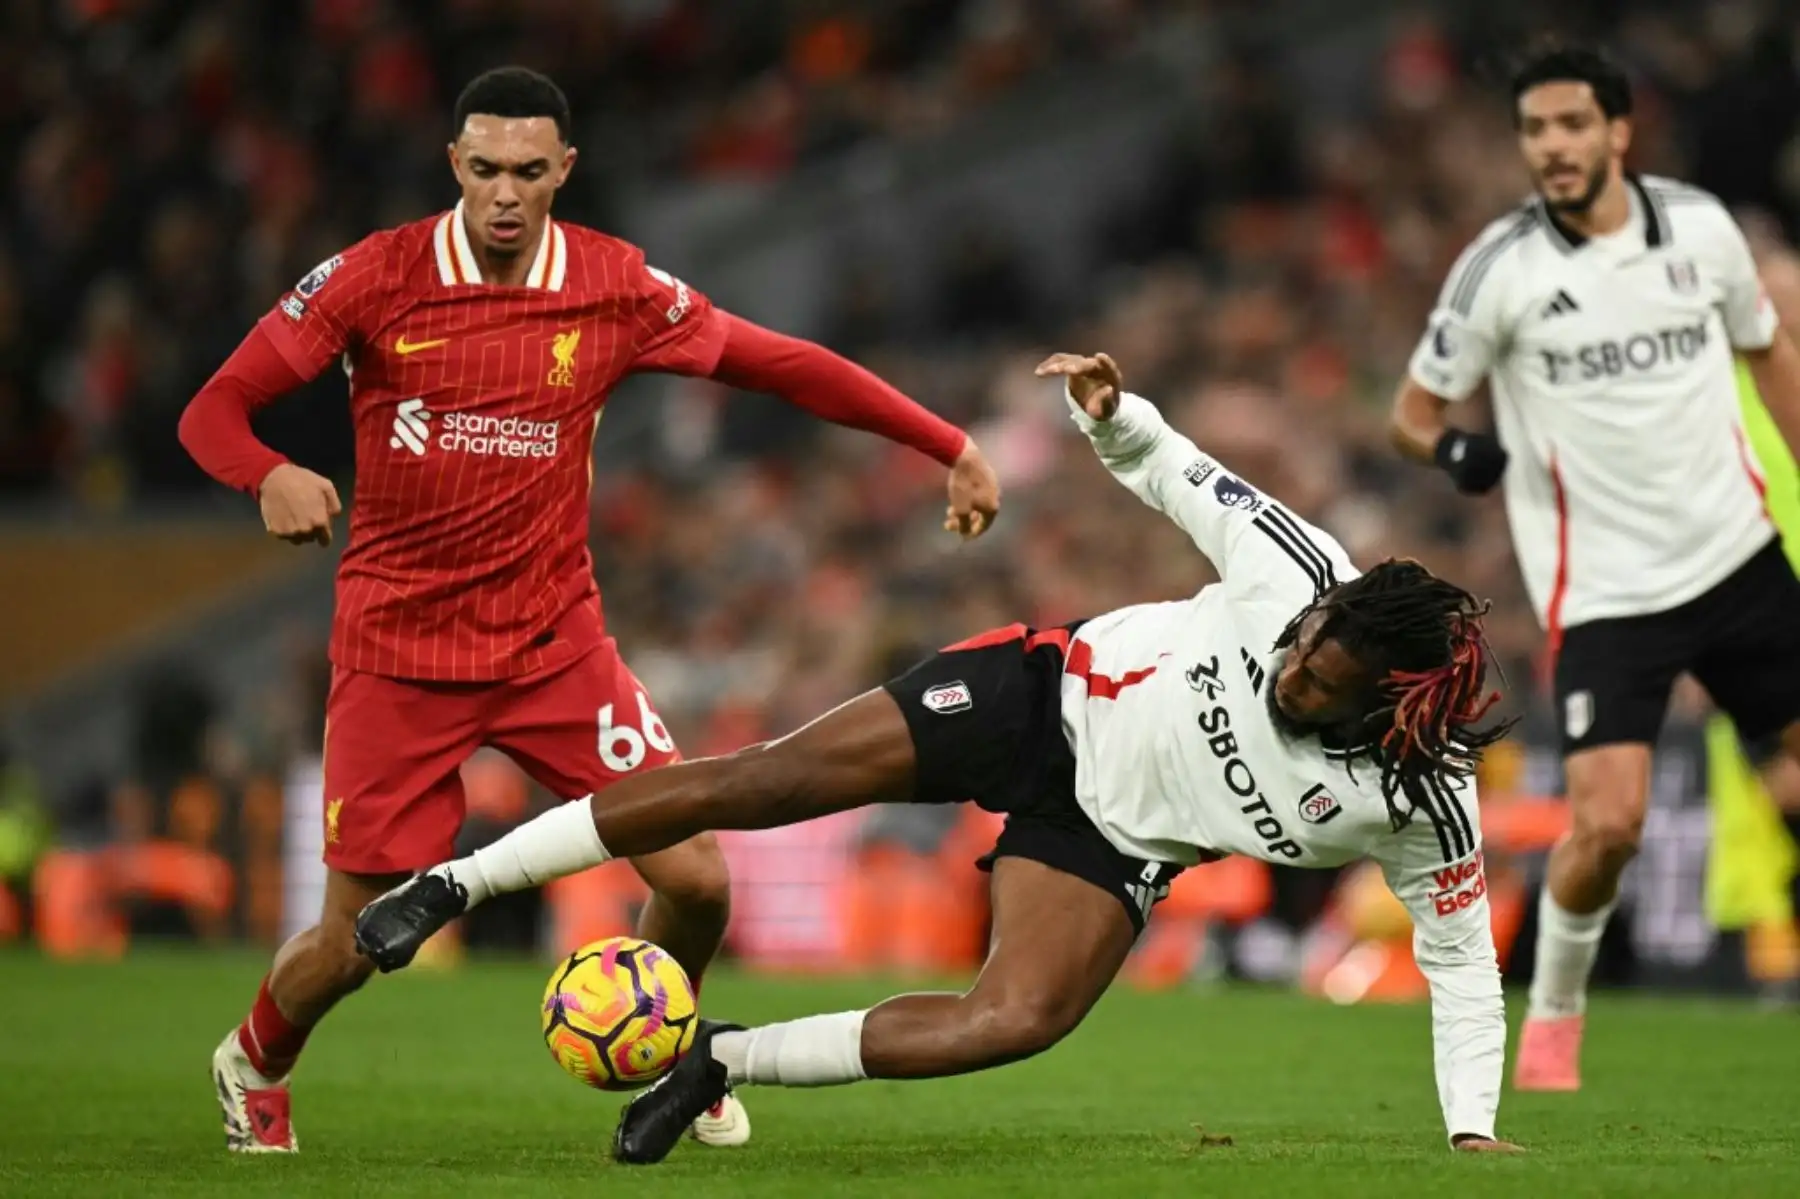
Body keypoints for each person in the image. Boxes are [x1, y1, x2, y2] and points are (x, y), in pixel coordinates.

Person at [357, 351, 1522, 1163]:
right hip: (1037, 694)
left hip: (1113, 837)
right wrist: (1110, 411)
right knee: (761, 781)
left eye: (1322, 683)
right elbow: (1170, 467)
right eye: (1307, 646)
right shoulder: (1296, 570)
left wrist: (1470, 1126)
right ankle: (452, 884)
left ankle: (715, 1061)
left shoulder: (1425, 799)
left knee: (1013, 1019)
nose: (1292, 669)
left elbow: (1462, 963)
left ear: (1389, 707)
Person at [177, 66, 1000, 1155]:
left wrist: (947, 442)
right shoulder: (375, 278)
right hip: (399, 654)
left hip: (554, 648)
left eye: (528, 170)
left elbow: (778, 364)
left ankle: (676, 1058)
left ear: (564, 169)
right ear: (454, 166)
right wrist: (267, 472)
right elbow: (212, 410)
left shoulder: (611, 285)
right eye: (484, 170)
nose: (505, 194)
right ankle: (257, 1054)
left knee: (700, 879)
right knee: (362, 939)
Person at [1388, 44, 1800, 1091]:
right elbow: (1412, 412)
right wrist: (1453, 451)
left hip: (1740, 559)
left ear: (1618, 132)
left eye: (1573, 125)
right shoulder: (1499, 269)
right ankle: (1558, 1012)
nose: (1554, 147)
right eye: (1536, 131)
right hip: (1608, 595)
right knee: (1609, 823)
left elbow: (1768, 351)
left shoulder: (1700, 230)